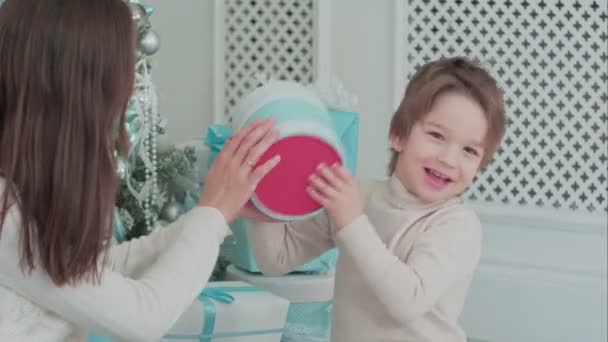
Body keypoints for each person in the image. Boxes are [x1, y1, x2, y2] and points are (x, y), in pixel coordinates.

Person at [0, 0, 280, 341]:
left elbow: (100, 271)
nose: (130, 85)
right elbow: (144, 317)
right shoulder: (7, 217)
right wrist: (212, 216)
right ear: (80, 84)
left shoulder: (19, 196)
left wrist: (216, 216)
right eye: (124, 65)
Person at [245, 56, 507, 342]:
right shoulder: (357, 196)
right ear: (399, 136)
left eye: (469, 151)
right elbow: (277, 259)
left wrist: (351, 221)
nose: (449, 159)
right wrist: (266, 207)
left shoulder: (456, 225)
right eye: (436, 135)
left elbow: (408, 300)